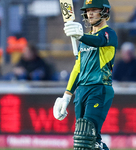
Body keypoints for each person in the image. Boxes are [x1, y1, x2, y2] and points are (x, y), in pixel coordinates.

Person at [53, 0, 118, 150]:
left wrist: (80, 36)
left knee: (87, 136)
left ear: (105, 12)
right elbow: (78, 68)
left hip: (99, 88)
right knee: (85, 139)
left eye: (95, 9)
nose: (90, 13)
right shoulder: (84, 40)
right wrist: (67, 95)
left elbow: (99, 41)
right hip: (81, 91)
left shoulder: (109, 34)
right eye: (88, 10)